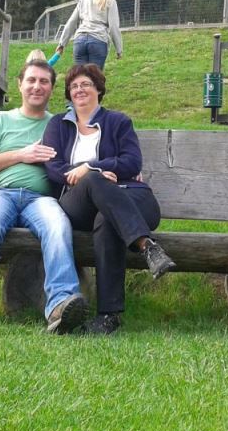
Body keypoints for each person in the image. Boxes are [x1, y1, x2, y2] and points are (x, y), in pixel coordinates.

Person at [0, 58, 89, 334]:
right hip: (1, 194)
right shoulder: (0, 120)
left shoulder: (60, 125)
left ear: (52, 88)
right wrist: (22, 154)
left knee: (58, 227)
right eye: (31, 80)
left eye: (44, 81)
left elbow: (87, 154)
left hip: (41, 199)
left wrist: (121, 170)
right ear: (20, 85)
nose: (37, 86)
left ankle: (61, 306)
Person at [41, 64, 175, 335]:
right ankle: (146, 245)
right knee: (92, 180)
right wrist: (90, 172)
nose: (79, 90)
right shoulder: (58, 125)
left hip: (128, 195)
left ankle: (108, 317)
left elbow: (132, 162)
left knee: (107, 219)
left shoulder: (118, 122)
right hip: (78, 202)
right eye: (74, 86)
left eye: (86, 84)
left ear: (98, 89)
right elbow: (53, 167)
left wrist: (93, 167)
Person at [55, 0, 123, 70]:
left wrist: (62, 44)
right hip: (98, 40)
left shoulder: (83, 0)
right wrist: (119, 49)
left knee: (81, 76)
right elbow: (113, 27)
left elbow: (71, 22)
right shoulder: (110, 1)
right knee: (95, 77)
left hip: (80, 41)